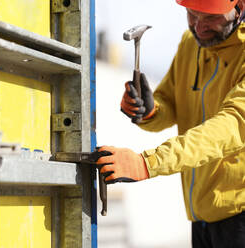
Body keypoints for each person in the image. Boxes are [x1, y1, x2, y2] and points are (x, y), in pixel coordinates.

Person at [93, 0, 245, 247]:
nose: (199, 27)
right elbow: (170, 104)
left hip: (239, 215)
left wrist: (147, 163)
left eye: (210, 18)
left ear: (239, 7)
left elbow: (229, 127)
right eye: (192, 15)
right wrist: (149, 111)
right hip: (201, 214)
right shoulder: (190, 44)